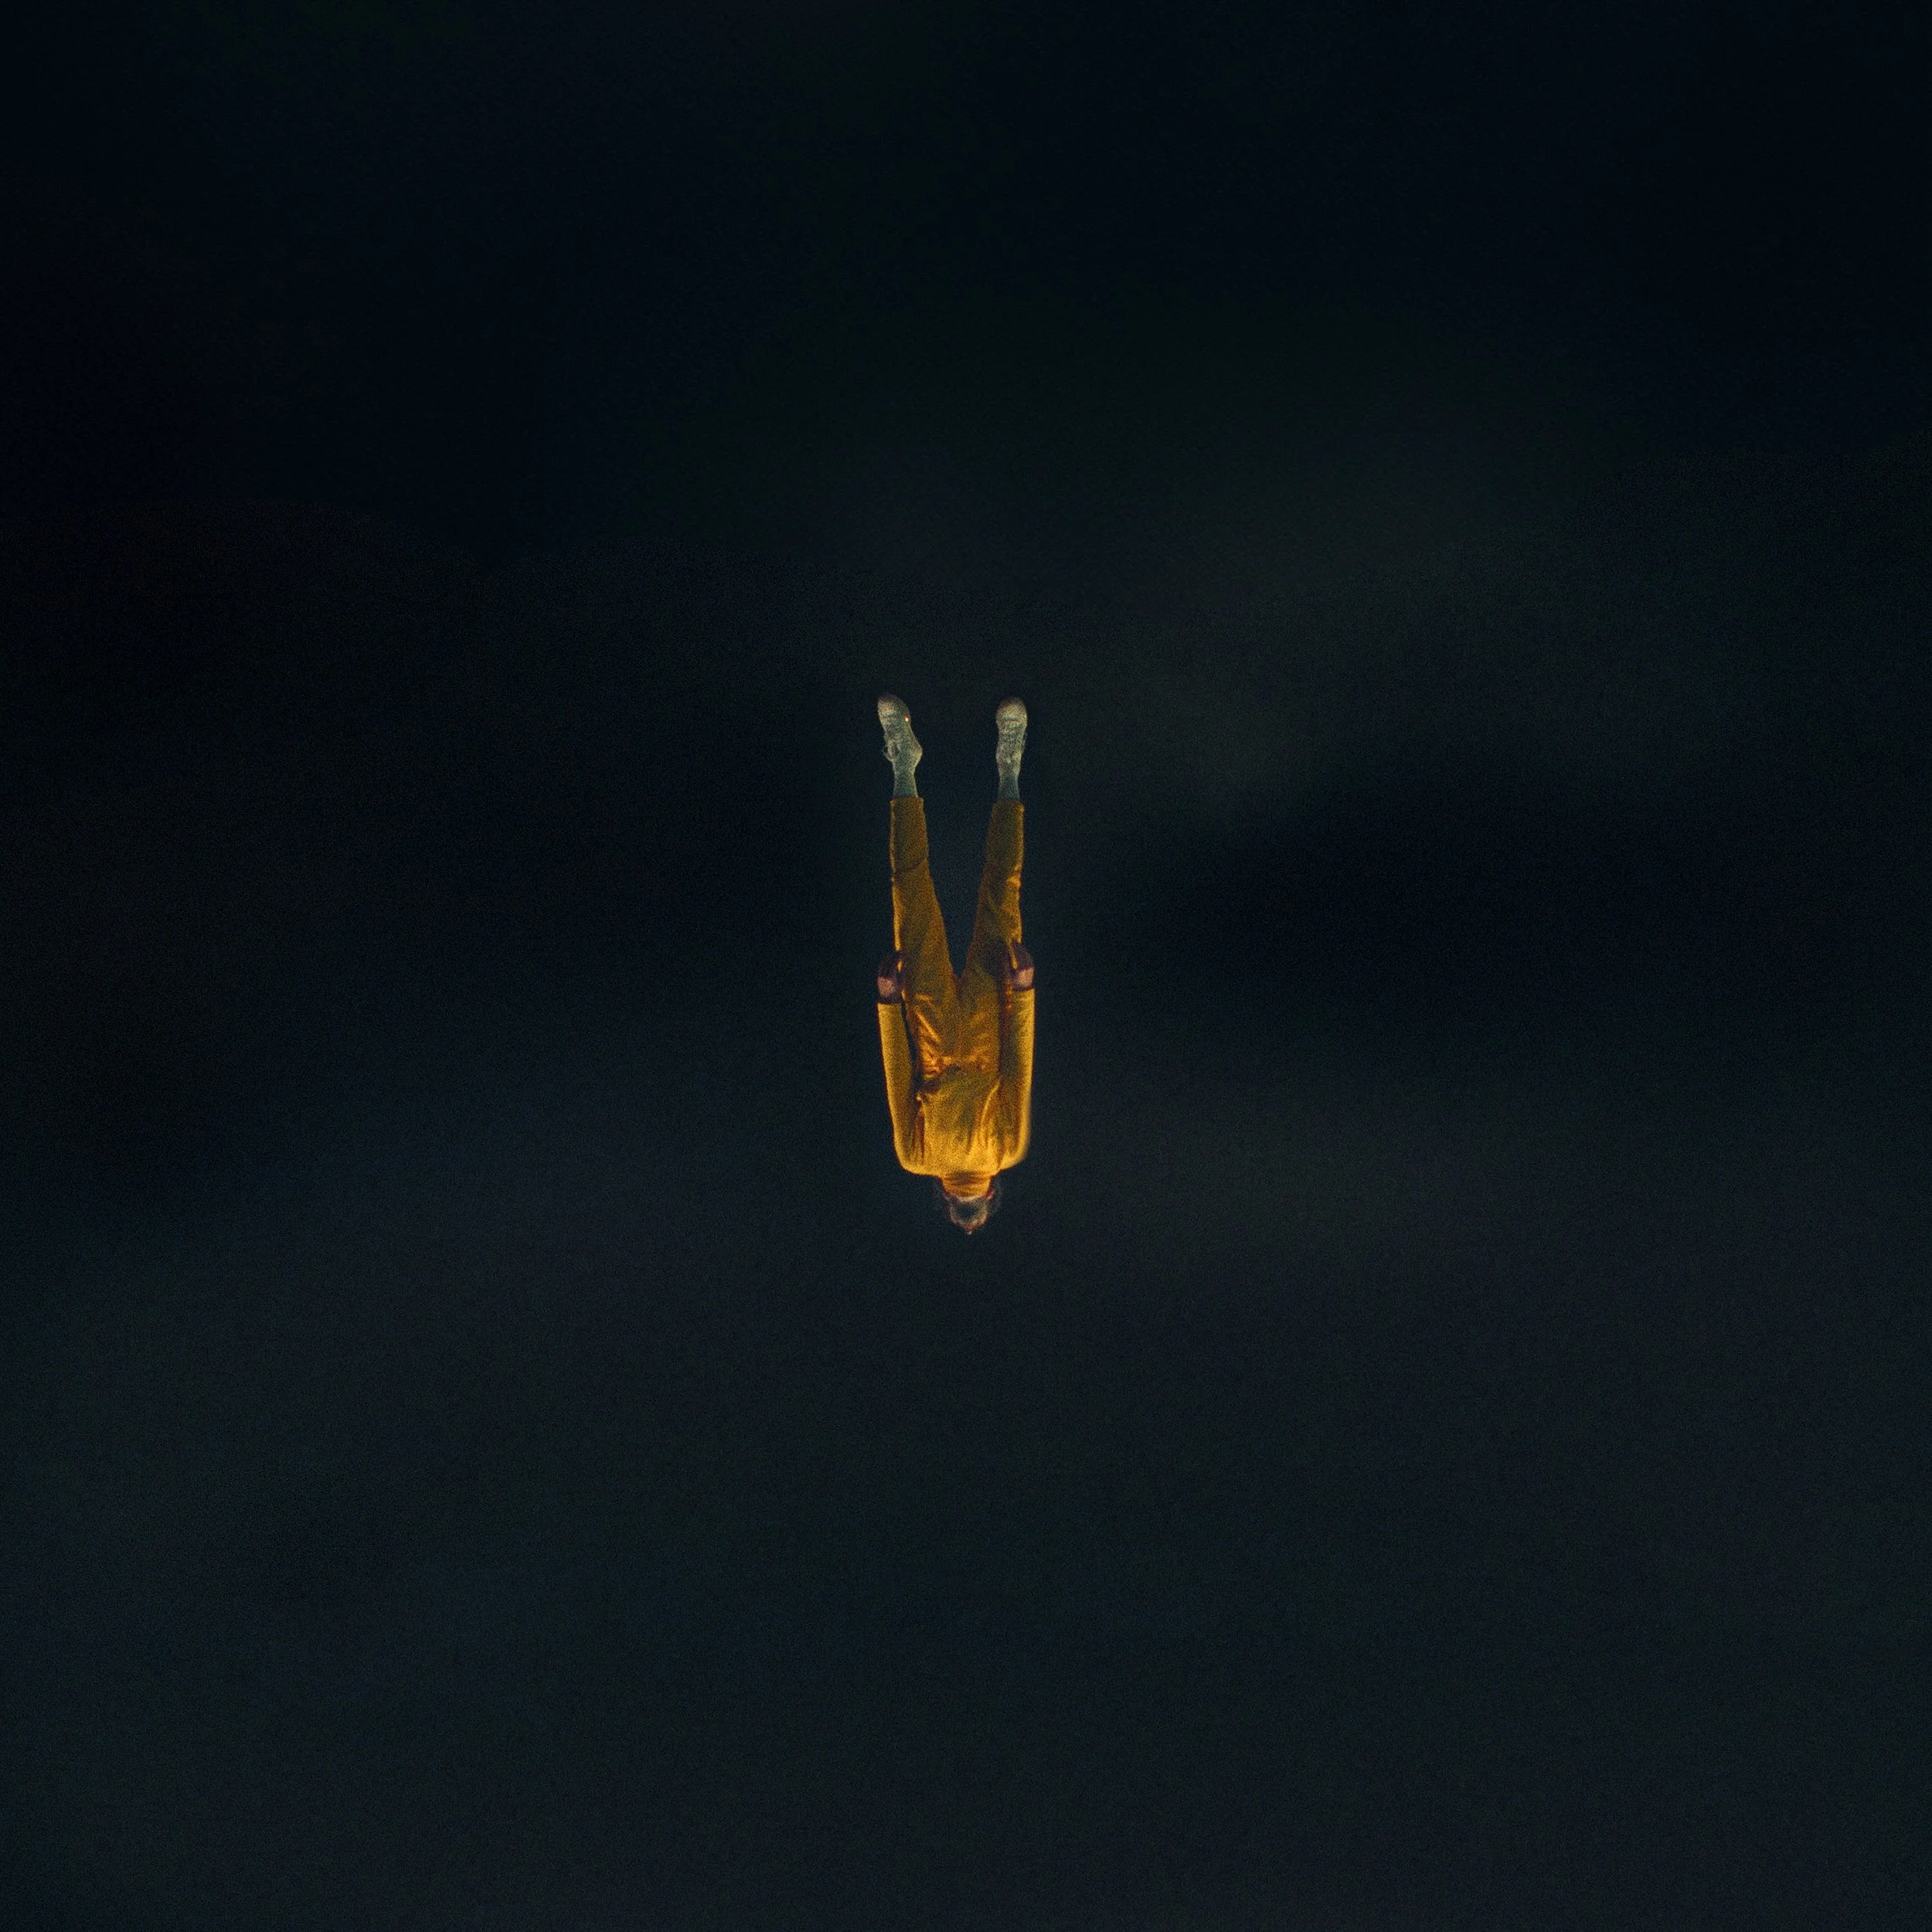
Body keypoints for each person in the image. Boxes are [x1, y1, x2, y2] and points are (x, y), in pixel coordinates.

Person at [874, 694, 1035, 1233]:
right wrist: (888, 1004)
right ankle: (996, 768)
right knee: (915, 894)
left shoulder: (957, 1158)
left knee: (996, 894)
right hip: (942, 1025)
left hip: (967, 1022)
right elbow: (898, 1074)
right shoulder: (939, 1160)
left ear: (984, 1195)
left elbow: (1018, 1063)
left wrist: (1026, 990)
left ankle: (912, 765)